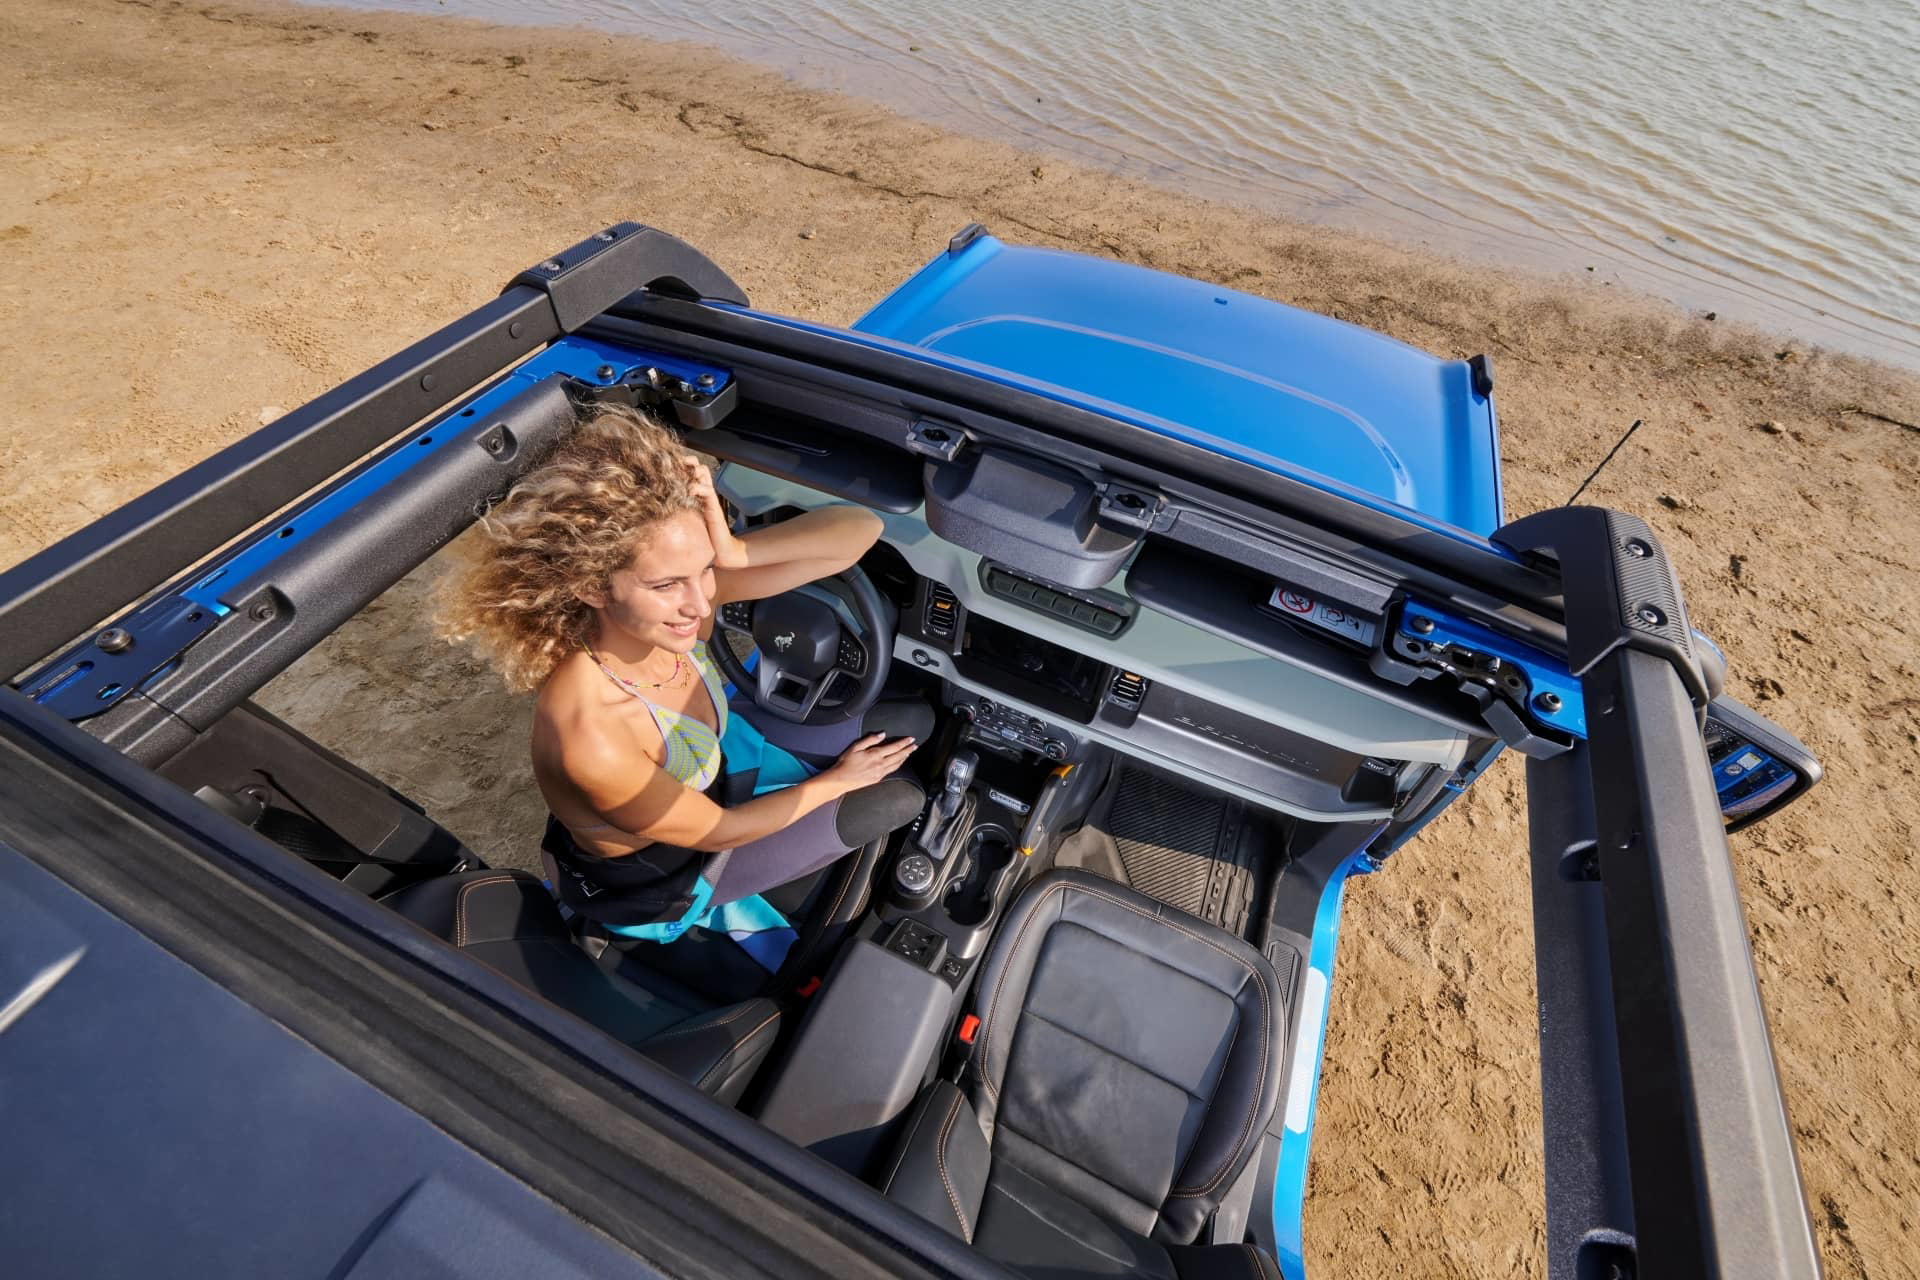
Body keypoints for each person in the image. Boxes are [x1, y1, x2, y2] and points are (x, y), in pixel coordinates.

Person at [442, 403, 927, 951]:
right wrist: (836, 781)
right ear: (592, 587)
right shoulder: (592, 738)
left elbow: (861, 530)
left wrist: (735, 550)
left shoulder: (675, 609)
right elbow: (721, 831)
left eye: (703, 570)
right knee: (898, 798)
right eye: (667, 585)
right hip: (668, 871)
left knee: (914, 720)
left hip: (716, 773)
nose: (699, 605)